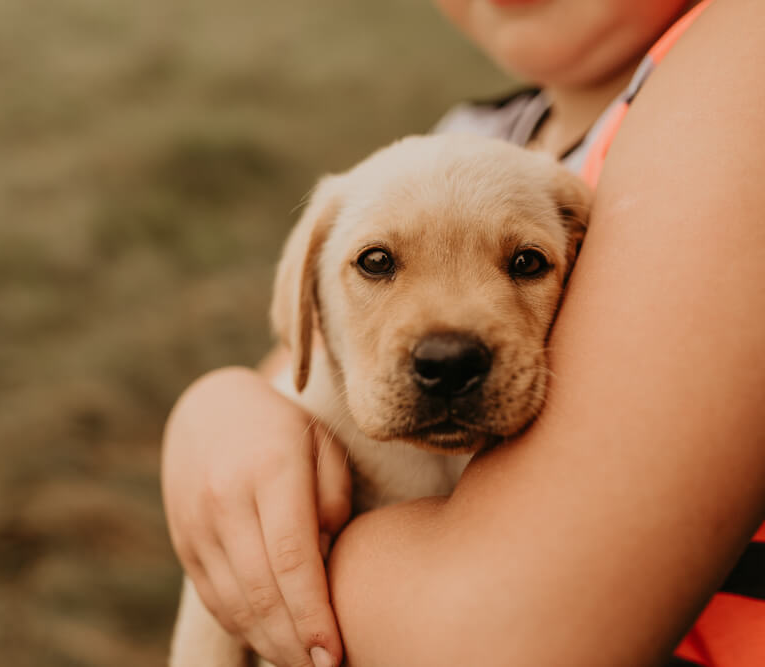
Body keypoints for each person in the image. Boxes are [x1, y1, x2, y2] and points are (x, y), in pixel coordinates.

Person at [161, 1, 765, 665]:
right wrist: (213, 407)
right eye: (378, 262)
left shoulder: (728, 87)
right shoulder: (470, 133)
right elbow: (277, 381)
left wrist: (291, 567)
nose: (447, 348)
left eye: (526, 264)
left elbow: (517, 635)